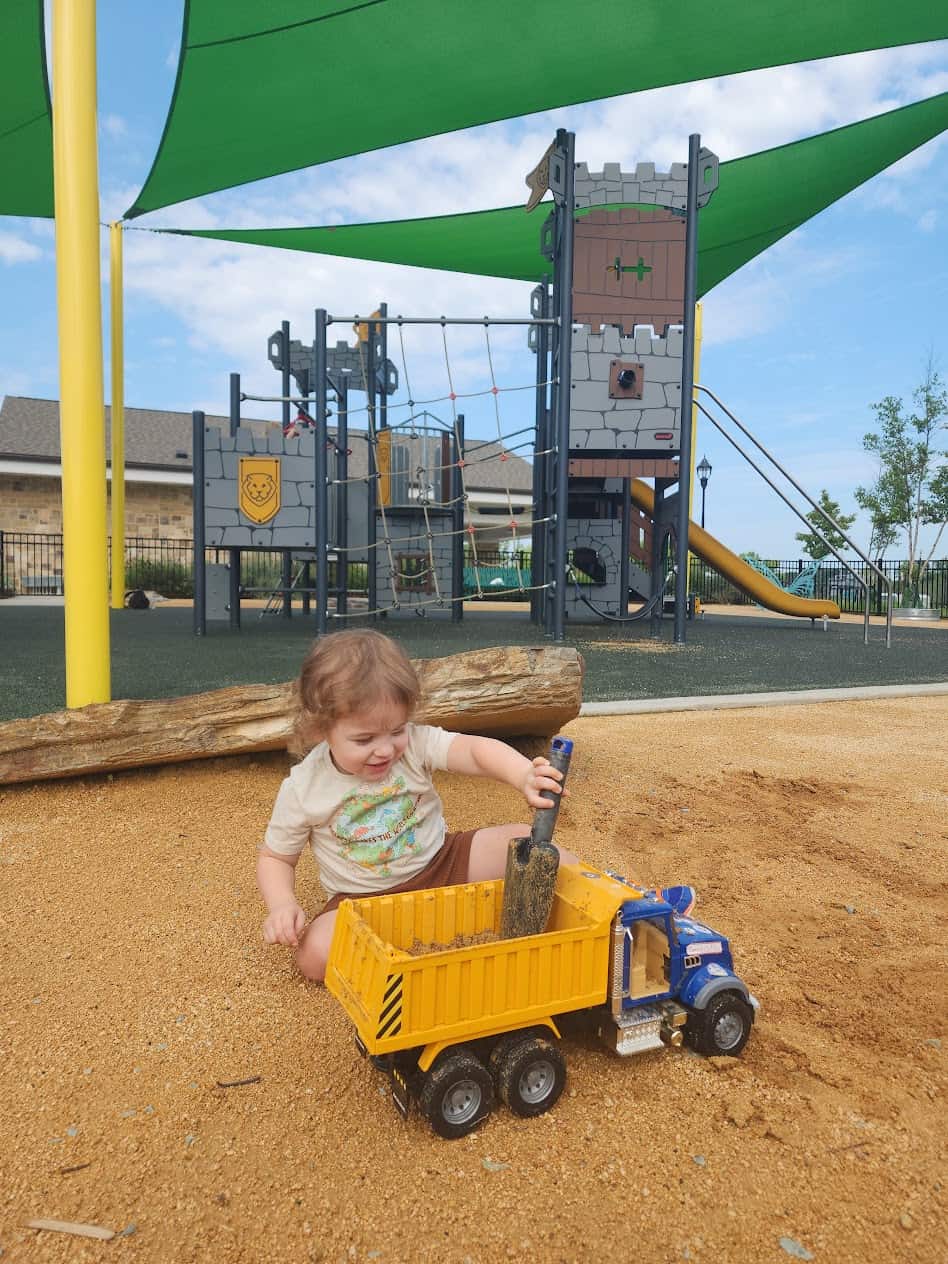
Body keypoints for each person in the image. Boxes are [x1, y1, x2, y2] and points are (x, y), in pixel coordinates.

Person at [257, 629, 577, 982]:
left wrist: (522, 774)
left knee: (523, 844)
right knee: (314, 955)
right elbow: (276, 858)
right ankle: (396, 953)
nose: (385, 749)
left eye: (396, 730)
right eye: (364, 739)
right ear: (321, 728)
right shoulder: (304, 787)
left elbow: (472, 750)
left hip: (443, 864)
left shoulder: (414, 746)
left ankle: (597, 894)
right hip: (363, 901)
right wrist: (282, 904)